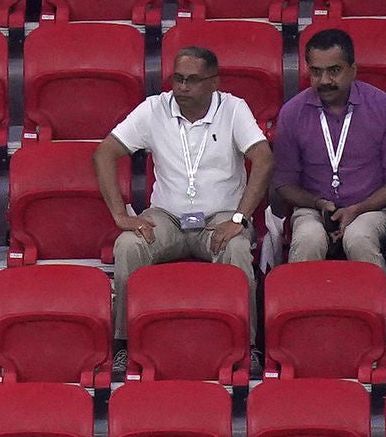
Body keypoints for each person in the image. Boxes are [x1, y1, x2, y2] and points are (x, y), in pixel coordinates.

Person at [102, 45, 276, 283]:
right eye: (178, 78)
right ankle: (124, 321)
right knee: (128, 245)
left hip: (219, 219)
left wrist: (239, 218)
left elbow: (264, 158)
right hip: (167, 219)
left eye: (192, 80)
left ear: (214, 83)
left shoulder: (233, 108)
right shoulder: (155, 108)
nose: (182, 87)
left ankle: (247, 322)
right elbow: (104, 153)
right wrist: (120, 215)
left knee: (236, 247)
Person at [259, 27, 386, 270]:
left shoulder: (384, 107)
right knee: (308, 239)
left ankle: (375, 306)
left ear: (353, 69)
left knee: (359, 238)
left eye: (334, 71)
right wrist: (319, 204)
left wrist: (359, 209)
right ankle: (300, 307)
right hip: (313, 207)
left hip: (371, 207)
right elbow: (284, 183)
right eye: (316, 72)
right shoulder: (292, 113)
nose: (325, 81)